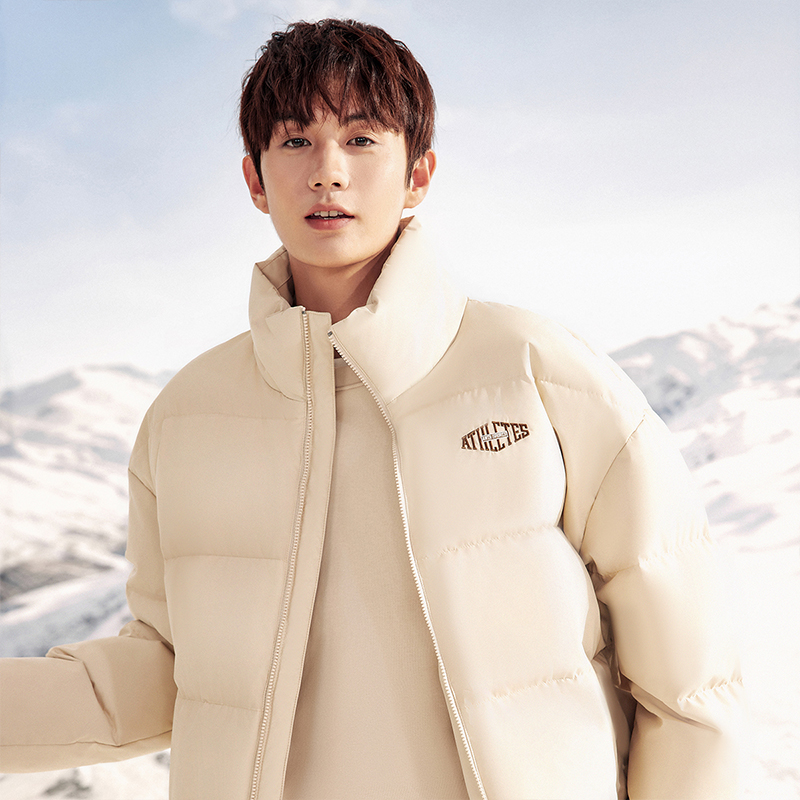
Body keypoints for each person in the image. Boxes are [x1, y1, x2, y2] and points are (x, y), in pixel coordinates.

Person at [0, 18, 743, 800]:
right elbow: (170, 671)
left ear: (418, 174)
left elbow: (688, 684)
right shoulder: (185, 419)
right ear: (255, 180)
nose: (328, 172)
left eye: (361, 140)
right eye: (296, 141)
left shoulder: (541, 373)